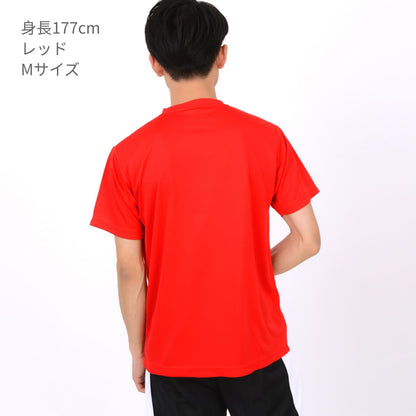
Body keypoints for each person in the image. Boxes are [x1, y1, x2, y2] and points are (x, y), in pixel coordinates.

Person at [89, 0, 321, 414]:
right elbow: (307, 240)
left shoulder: (128, 156)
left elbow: (129, 269)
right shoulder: (267, 139)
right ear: (222, 55)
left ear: (155, 63)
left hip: (173, 355)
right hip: (254, 346)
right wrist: (249, 272)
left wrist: (137, 351)